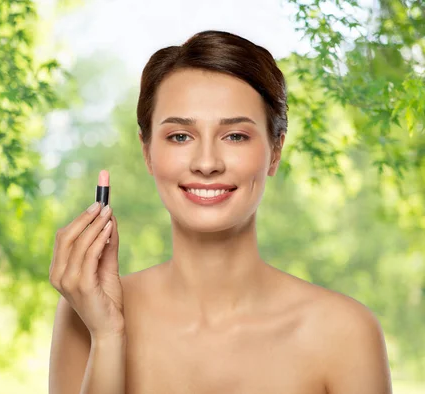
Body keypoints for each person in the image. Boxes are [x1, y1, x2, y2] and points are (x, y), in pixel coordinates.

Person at [48, 30, 393, 394]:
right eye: (180, 136)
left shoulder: (345, 333)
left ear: (275, 151)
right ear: (147, 151)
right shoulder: (85, 312)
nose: (207, 163)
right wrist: (107, 336)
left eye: (235, 136)